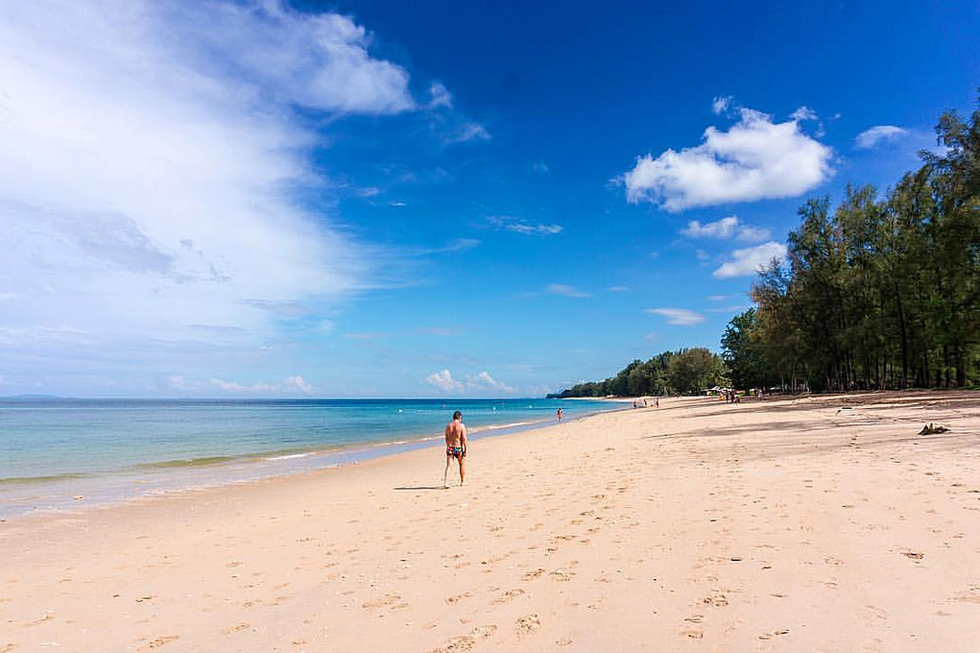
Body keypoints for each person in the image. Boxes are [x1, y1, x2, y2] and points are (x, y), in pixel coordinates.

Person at [443, 410, 468, 488]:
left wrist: (448, 445)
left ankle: (446, 482)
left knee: (449, 465)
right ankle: (462, 481)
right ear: (459, 417)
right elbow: (464, 439)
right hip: (458, 448)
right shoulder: (461, 426)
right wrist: (465, 449)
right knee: (461, 464)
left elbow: (446, 438)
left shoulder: (448, 426)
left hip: (450, 447)